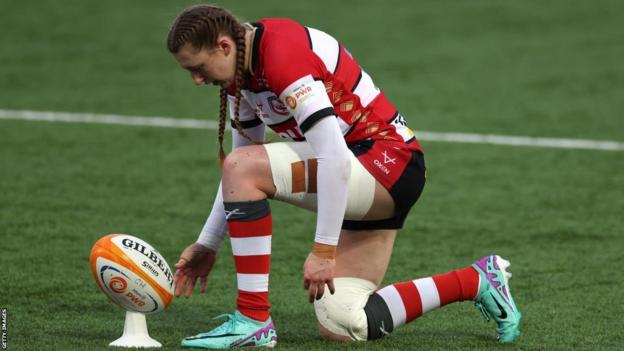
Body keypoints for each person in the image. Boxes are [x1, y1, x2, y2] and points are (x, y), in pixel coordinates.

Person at [167, 4, 521, 349]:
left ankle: (253, 320)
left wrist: (324, 250)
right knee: (345, 322)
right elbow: (236, 174)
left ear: (224, 46)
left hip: (386, 165)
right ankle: (476, 281)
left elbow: (333, 158)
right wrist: (207, 244)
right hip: (361, 177)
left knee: (244, 166)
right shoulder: (240, 74)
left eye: (197, 68)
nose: (197, 80)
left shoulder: (280, 55)